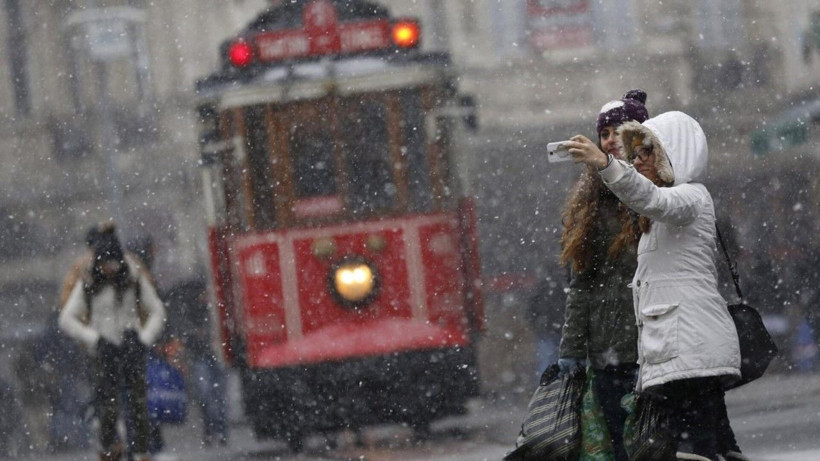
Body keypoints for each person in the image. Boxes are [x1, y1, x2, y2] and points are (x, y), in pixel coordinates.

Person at [566, 111, 744, 461]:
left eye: (647, 151)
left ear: (672, 151)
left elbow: (652, 199)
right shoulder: (665, 210)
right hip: (675, 352)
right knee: (696, 448)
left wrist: (605, 163)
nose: (638, 160)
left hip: (689, 350)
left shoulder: (690, 197)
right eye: (634, 154)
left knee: (699, 449)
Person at [555, 89, 647, 461]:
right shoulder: (588, 203)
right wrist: (572, 351)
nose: (610, 141)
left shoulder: (657, 190)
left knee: (656, 445)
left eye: (619, 131)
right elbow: (580, 287)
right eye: (604, 134)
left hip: (652, 348)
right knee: (620, 449)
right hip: (609, 353)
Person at [59, 223, 166, 461]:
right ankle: (109, 450)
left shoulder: (134, 276)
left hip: (130, 347)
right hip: (103, 351)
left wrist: (142, 338)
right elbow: (67, 317)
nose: (109, 270)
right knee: (108, 407)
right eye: (105, 265)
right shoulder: (87, 280)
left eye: (113, 264)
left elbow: (156, 309)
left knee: (138, 405)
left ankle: (140, 452)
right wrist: (95, 340)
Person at [527, 273, 566, 382]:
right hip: (559, 330)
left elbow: (530, 311)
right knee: (559, 359)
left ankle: (544, 385)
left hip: (546, 331)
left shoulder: (540, 291)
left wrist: (536, 323)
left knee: (545, 360)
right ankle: (558, 383)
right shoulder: (561, 289)